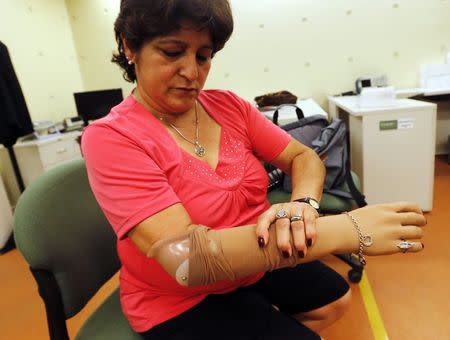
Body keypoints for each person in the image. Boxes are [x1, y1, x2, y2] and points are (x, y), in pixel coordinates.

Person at [81, 1, 426, 339]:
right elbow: (188, 260)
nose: (192, 73)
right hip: (179, 298)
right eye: (172, 52)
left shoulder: (228, 106)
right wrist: (347, 228)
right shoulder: (111, 137)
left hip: (255, 261)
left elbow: (302, 158)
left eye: (204, 57)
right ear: (129, 46)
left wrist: (303, 206)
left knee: (335, 299)